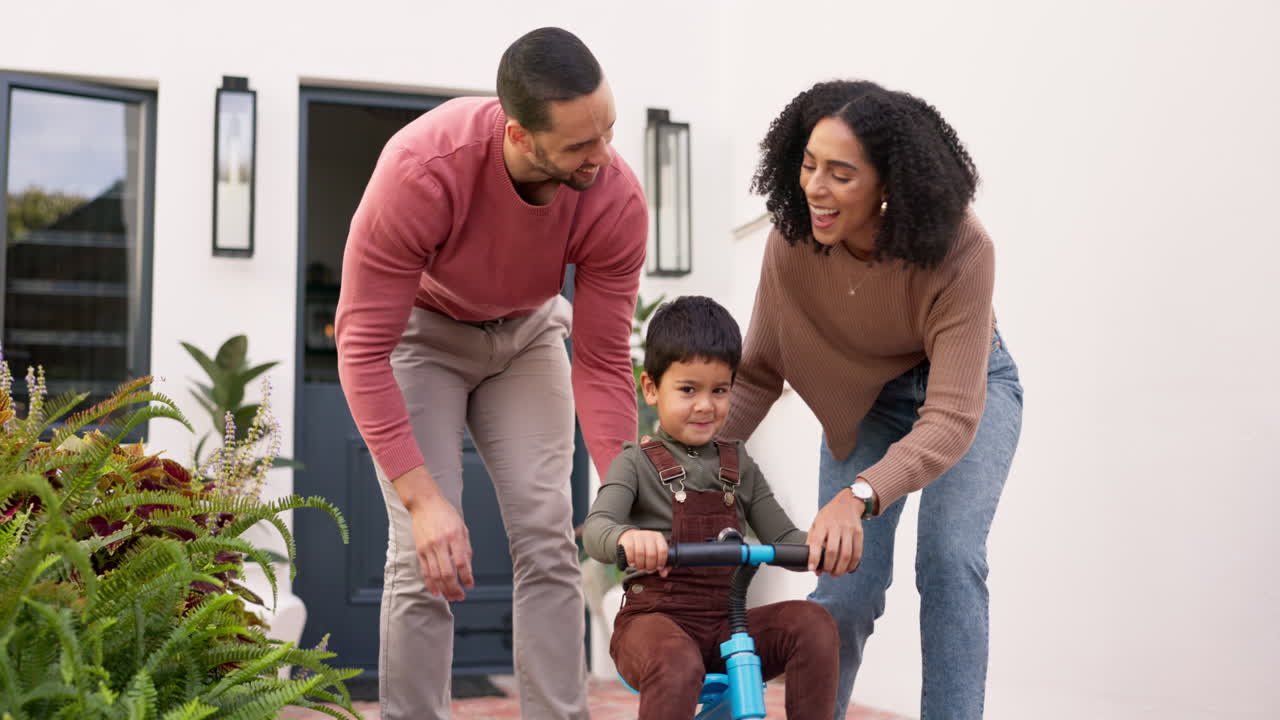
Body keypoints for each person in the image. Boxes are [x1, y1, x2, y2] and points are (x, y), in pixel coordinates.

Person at [334, 27, 647, 720]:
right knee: (427, 557)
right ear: (520, 136)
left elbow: (599, 362)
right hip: (424, 337)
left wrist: (627, 490)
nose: (603, 158)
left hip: (530, 333)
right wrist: (422, 501)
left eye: (608, 131)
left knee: (546, 534)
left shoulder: (615, 197)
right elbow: (360, 348)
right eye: (579, 146)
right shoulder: (423, 168)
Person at [719, 80, 1024, 719]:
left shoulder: (963, 249)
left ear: (887, 185)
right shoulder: (792, 242)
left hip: (966, 390)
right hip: (868, 403)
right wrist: (676, 466)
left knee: (949, 560)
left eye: (840, 173)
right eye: (807, 165)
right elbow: (756, 375)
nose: (814, 188)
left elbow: (950, 417)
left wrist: (858, 496)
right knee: (846, 586)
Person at [583, 295, 839, 720]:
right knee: (677, 660)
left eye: (719, 390)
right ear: (651, 389)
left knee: (813, 625)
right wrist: (628, 537)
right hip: (652, 623)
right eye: (688, 389)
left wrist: (819, 548)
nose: (706, 405)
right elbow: (597, 530)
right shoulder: (634, 463)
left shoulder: (738, 465)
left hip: (726, 622)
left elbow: (784, 537)